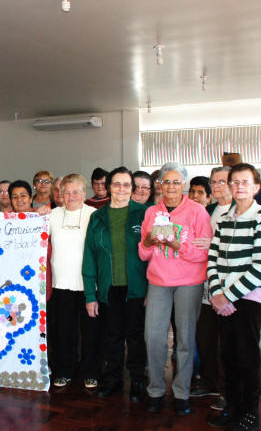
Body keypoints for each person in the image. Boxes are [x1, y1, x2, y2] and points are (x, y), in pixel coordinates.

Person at [138, 162, 212, 415]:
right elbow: (144, 253)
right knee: (154, 338)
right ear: (159, 184)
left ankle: (181, 393)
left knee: (185, 340)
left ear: (184, 184)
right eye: (165, 181)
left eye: (175, 181)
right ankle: (155, 390)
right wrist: (148, 242)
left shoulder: (197, 212)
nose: (170, 186)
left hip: (189, 283)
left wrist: (176, 245)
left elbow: (204, 254)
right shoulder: (151, 213)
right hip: (158, 282)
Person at [206, 163, 261, 430]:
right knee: (229, 356)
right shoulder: (223, 220)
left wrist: (227, 297)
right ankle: (232, 407)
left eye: (245, 182)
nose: (239, 187)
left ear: (256, 187)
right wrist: (216, 291)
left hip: (246, 301)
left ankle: (250, 412)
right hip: (222, 299)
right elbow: (212, 258)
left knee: (247, 358)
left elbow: (260, 269)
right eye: (234, 182)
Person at [83, 167, 149, 401]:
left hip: (137, 288)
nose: (121, 189)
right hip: (109, 288)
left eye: (126, 184)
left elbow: (156, 253)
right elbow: (89, 257)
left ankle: (138, 379)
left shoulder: (145, 214)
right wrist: (90, 294)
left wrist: (152, 288)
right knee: (113, 336)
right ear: (108, 187)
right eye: (116, 184)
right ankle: (114, 379)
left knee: (135, 335)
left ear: (133, 188)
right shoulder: (97, 217)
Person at [47, 174, 99, 389]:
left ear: (84, 194)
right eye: (66, 192)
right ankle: (64, 370)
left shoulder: (94, 215)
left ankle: (91, 372)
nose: (70, 196)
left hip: (88, 285)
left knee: (91, 332)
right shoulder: (51, 215)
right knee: (64, 331)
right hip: (61, 284)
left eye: (75, 192)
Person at [190, 166, 233, 410]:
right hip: (204, 283)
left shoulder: (240, 210)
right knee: (205, 337)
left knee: (227, 342)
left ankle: (228, 391)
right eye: (214, 182)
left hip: (228, 287)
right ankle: (209, 382)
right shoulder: (208, 210)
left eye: (222, 182)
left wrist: (214, 242)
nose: (216, 186)